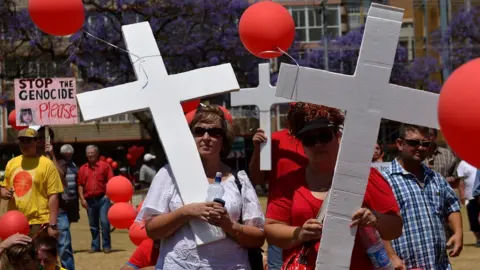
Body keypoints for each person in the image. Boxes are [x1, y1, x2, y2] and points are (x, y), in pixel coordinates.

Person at [264, 105, 403, 269]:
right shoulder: (288, 183)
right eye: (309, 140)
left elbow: (395, 228)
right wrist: (300, 233)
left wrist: (375, 218)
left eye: (324, 136)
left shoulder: (367, 176)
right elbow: (271, 230)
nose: (317, 144)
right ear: (303, 145)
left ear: (337, 136)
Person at [136, 105, 265, 269]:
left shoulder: (239, 179)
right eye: (199, 131)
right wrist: (186, 212)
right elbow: (152, 230)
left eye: (214, 132)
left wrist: (229, 225)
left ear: (224, 139)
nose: (206, 137)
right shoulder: (169, 174)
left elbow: (258, 238)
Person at [382, 124, 463, 269]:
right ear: (400, 144)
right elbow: (377, 224)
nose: (420, 147)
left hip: (440, 265)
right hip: (406, 266)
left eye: (425, 144)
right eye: (413, 142)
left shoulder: (436, 178)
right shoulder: (386, 180)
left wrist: (458, 233)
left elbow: (452, 206)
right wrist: (391, 257)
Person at [249, 102, 309, 270]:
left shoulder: (318, 141)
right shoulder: (274, 140)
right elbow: (257, 178)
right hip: (279, 221)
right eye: (296, 112)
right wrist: (257, 150)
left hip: (312, 218)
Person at [0, 128, 64, 239]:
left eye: (28, 141)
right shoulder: (11, 163)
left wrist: (52, 225)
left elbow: (54, 196)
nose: (25, 144)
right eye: (22, 141)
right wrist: (4, 193)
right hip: (15, 222)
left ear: (36, 141)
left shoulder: (47, 164)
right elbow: (3, 187)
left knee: (40, 256)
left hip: (39, 223)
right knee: (16, 256)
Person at [77, 145, 114, 254]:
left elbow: (111, 182)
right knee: (93, 225)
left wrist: (108, 195)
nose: (90, 155)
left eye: (92, 152)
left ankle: (106, 246)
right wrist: (82, 199)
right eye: (88, 153)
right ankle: (95, 246)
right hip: (89, 200)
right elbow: (80, 185)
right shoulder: (82, 169)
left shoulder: (105, 166)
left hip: (103, 198)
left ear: (97, 154)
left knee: (104, 223)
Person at [55, 143, 79, 270]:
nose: (68, 157)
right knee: (62, 237)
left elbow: (77, 181)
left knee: (66, 232)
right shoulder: (58, 163)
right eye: (66, 155)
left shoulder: (74, 165)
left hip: (71, 201)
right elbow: (60, 177)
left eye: (70, 155)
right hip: (60, 202)